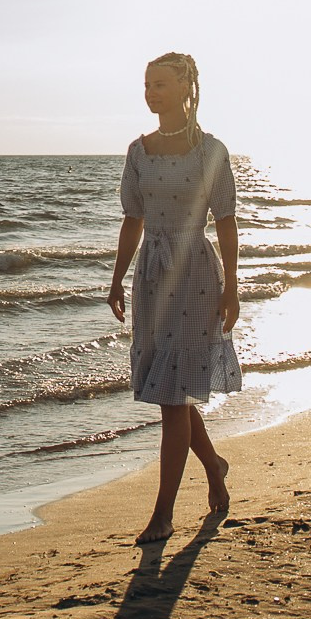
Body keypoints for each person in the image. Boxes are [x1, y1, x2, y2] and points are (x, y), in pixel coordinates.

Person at [106, 51, 241, 544]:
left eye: (160, 84)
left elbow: (226, 221)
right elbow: (133, 220)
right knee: (172, 390)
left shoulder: (211, 152)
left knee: (172, 397)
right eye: (147, 84)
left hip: (195, 276)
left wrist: (232, 288)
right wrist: (117, 280)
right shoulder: (138, 151)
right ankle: (214, 466)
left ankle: (163, 514)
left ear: (186, 88)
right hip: (152, 277)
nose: (151, 93)